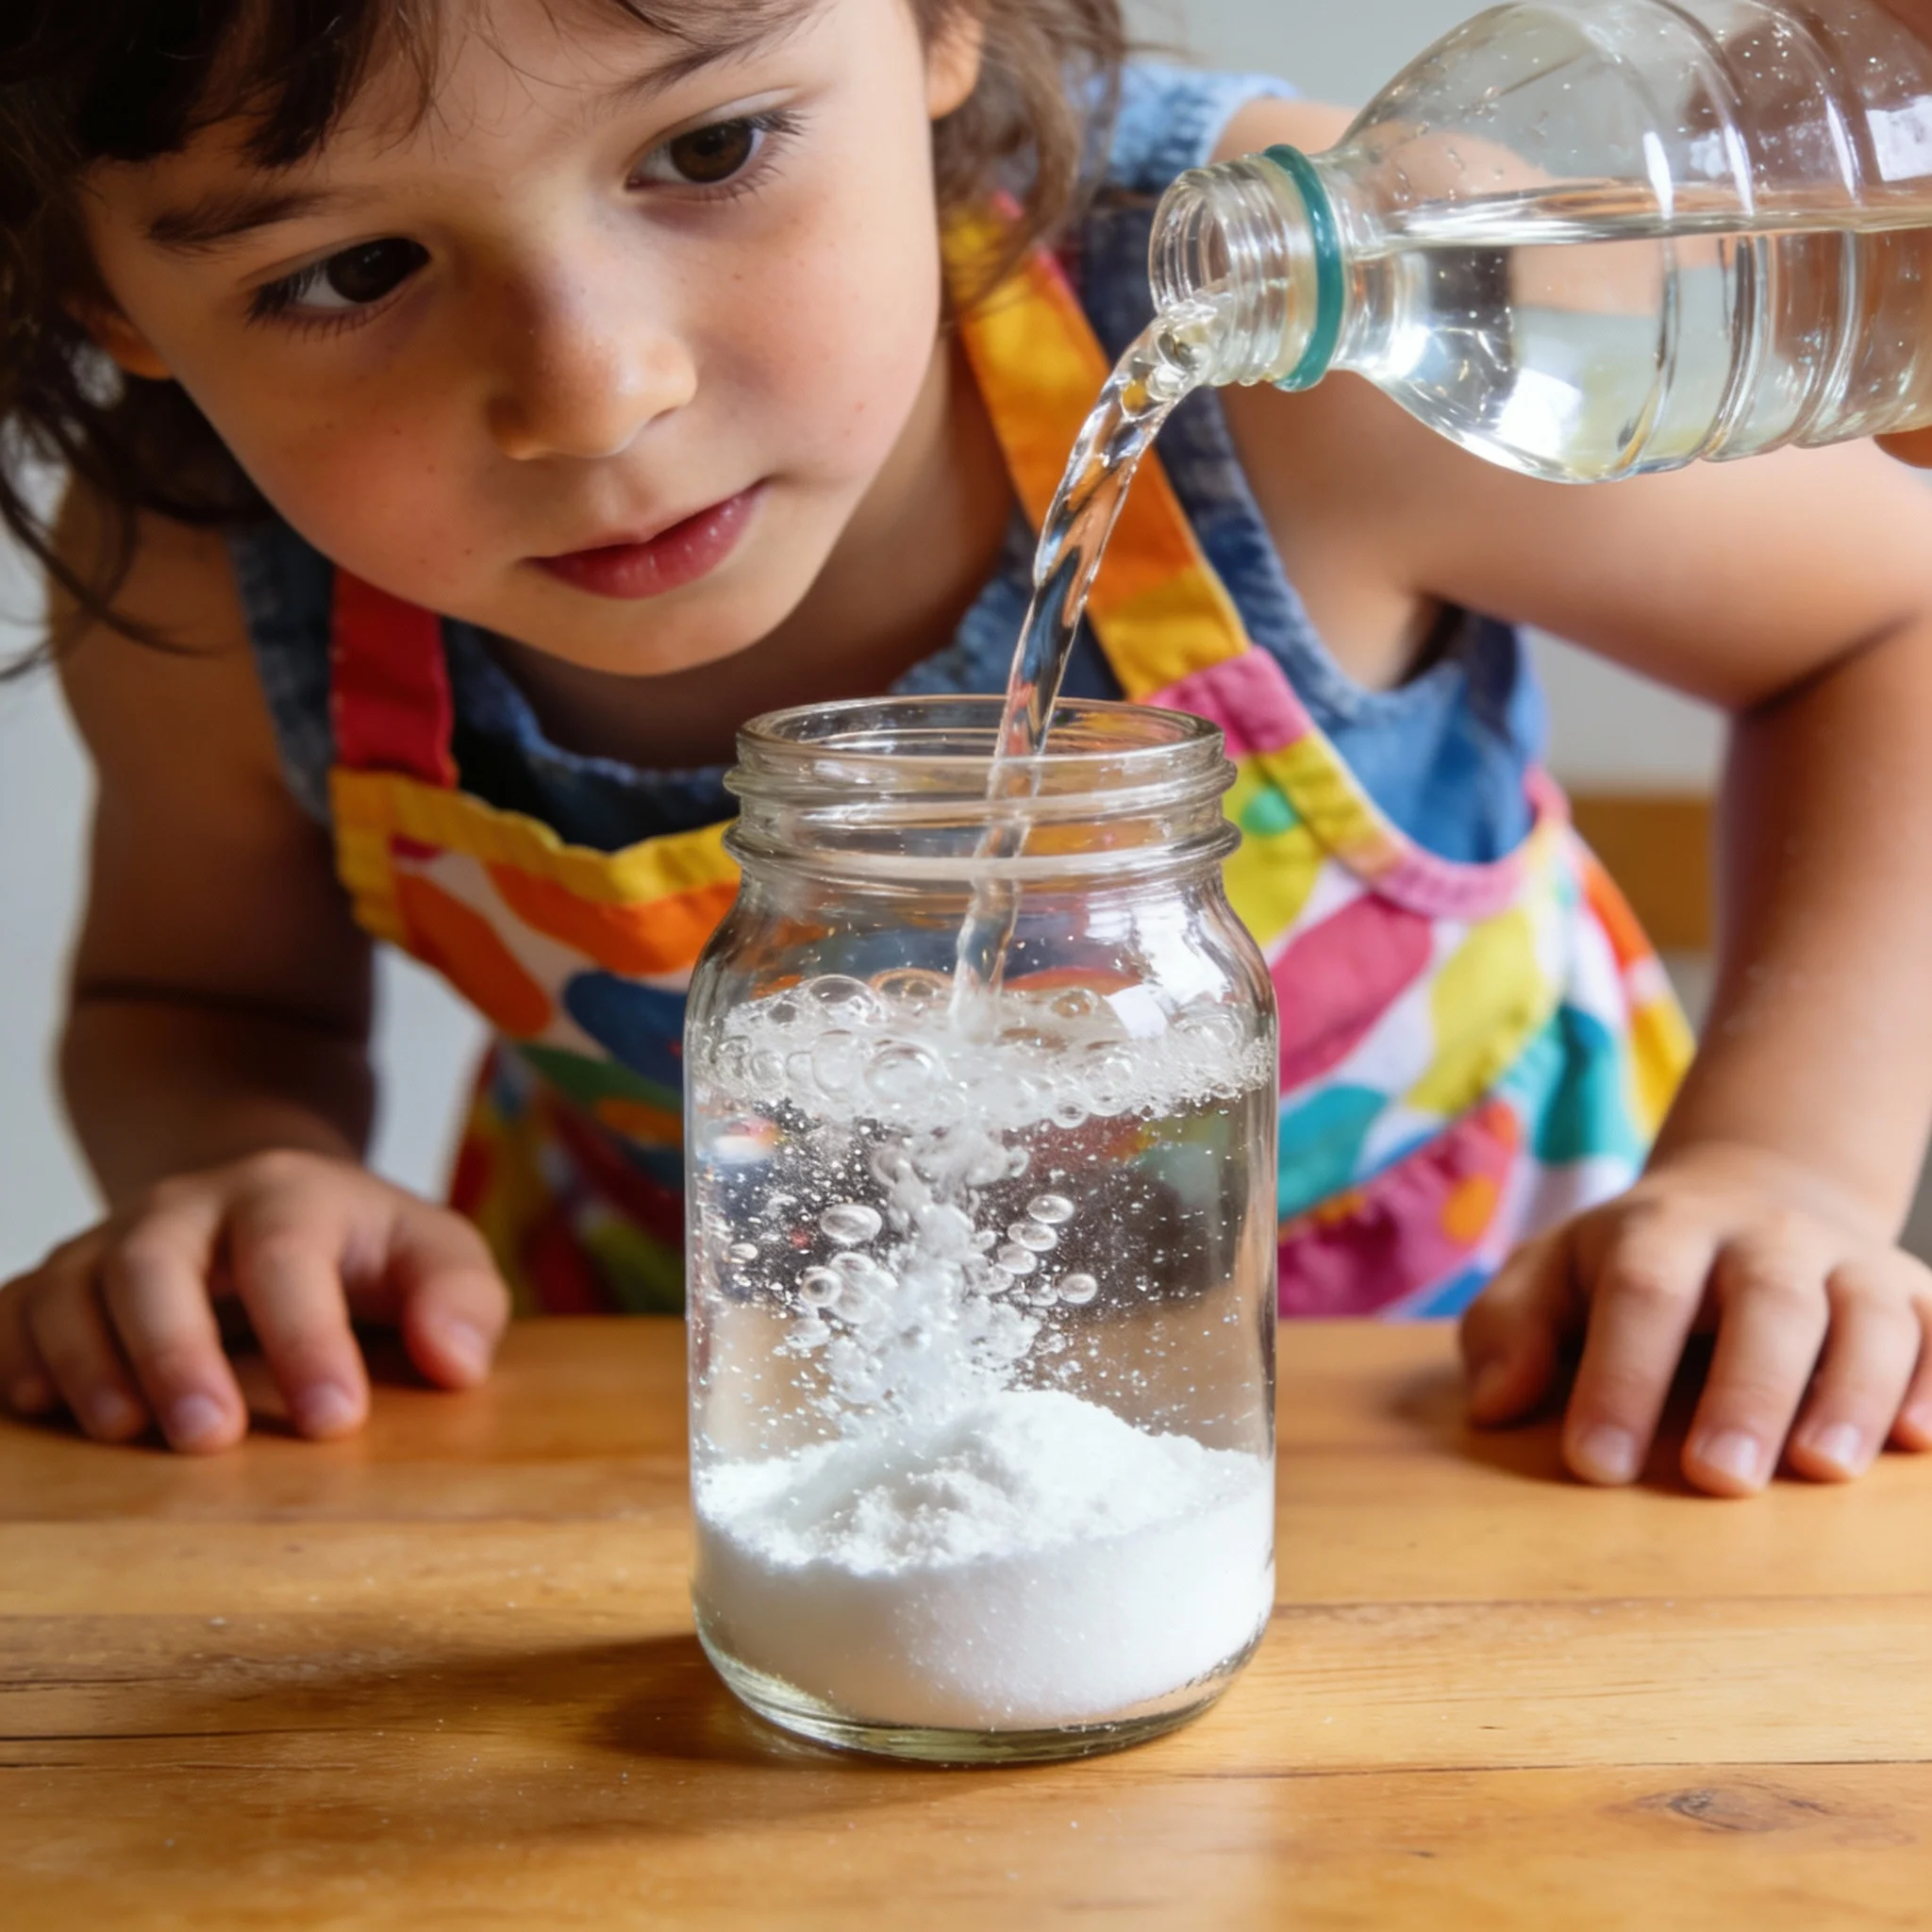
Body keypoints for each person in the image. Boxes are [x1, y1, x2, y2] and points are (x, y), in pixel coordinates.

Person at [2, 0, 1930, 1501]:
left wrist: (1789, 1174)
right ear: (113, 299)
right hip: (691, 1456)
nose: (594, 390)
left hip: (1495, 1396)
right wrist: (240, 1173)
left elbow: (1888, 618)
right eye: (347, 274)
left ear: (943, 23)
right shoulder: (197, 562)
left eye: (709, 144)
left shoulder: (1303, 331)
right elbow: (200, 1002)